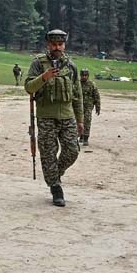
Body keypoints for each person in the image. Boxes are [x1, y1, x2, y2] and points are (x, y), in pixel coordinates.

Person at [24, 29, 83, 207]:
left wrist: (80, 120)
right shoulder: (38, 64)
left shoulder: (70, 66)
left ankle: (55, 174)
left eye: (60, 44)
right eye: (53, 44)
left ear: (64, 45)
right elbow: (29, 87)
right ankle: (55, 187)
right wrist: (44, 77)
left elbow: (77, 94)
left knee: (72, 150)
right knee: (48, 153)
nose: (57, 47)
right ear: (48, 45)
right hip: (46, 117)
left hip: (67, 116)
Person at [79, 69, 101, 146]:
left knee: (87, 121)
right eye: (82, 75)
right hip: (79, 107)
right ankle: (80, 136)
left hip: (88, 107)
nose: (84, 77)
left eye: (86, 75)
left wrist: (98, 107)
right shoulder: (77, 84)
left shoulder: (92, 84)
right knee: (79, 121)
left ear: (88, 76)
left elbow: (96, 96)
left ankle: (86, 138)